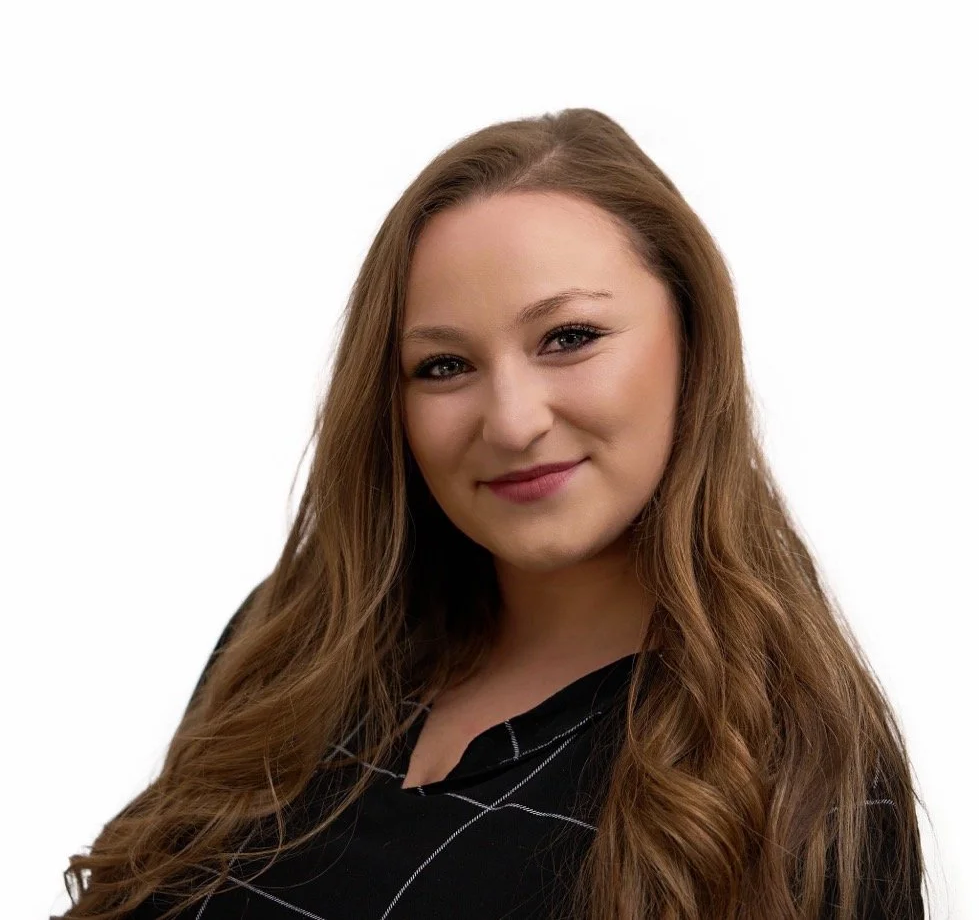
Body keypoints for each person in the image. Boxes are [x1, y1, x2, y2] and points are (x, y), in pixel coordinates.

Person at [58, 108, 927, 919]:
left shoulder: (801, 766)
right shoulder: (296, 638)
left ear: (693, 343)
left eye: (569, 338)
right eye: (442, 366)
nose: (512, 421)